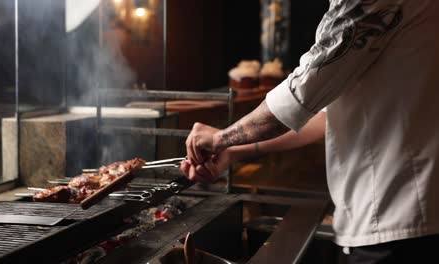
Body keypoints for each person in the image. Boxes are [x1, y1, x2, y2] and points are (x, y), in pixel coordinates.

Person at [181, 0, 439, 263]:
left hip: (397, 216)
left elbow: (300, 95)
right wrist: (233, 150)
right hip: (406, 215)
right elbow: (321, 117)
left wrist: (220, 139)